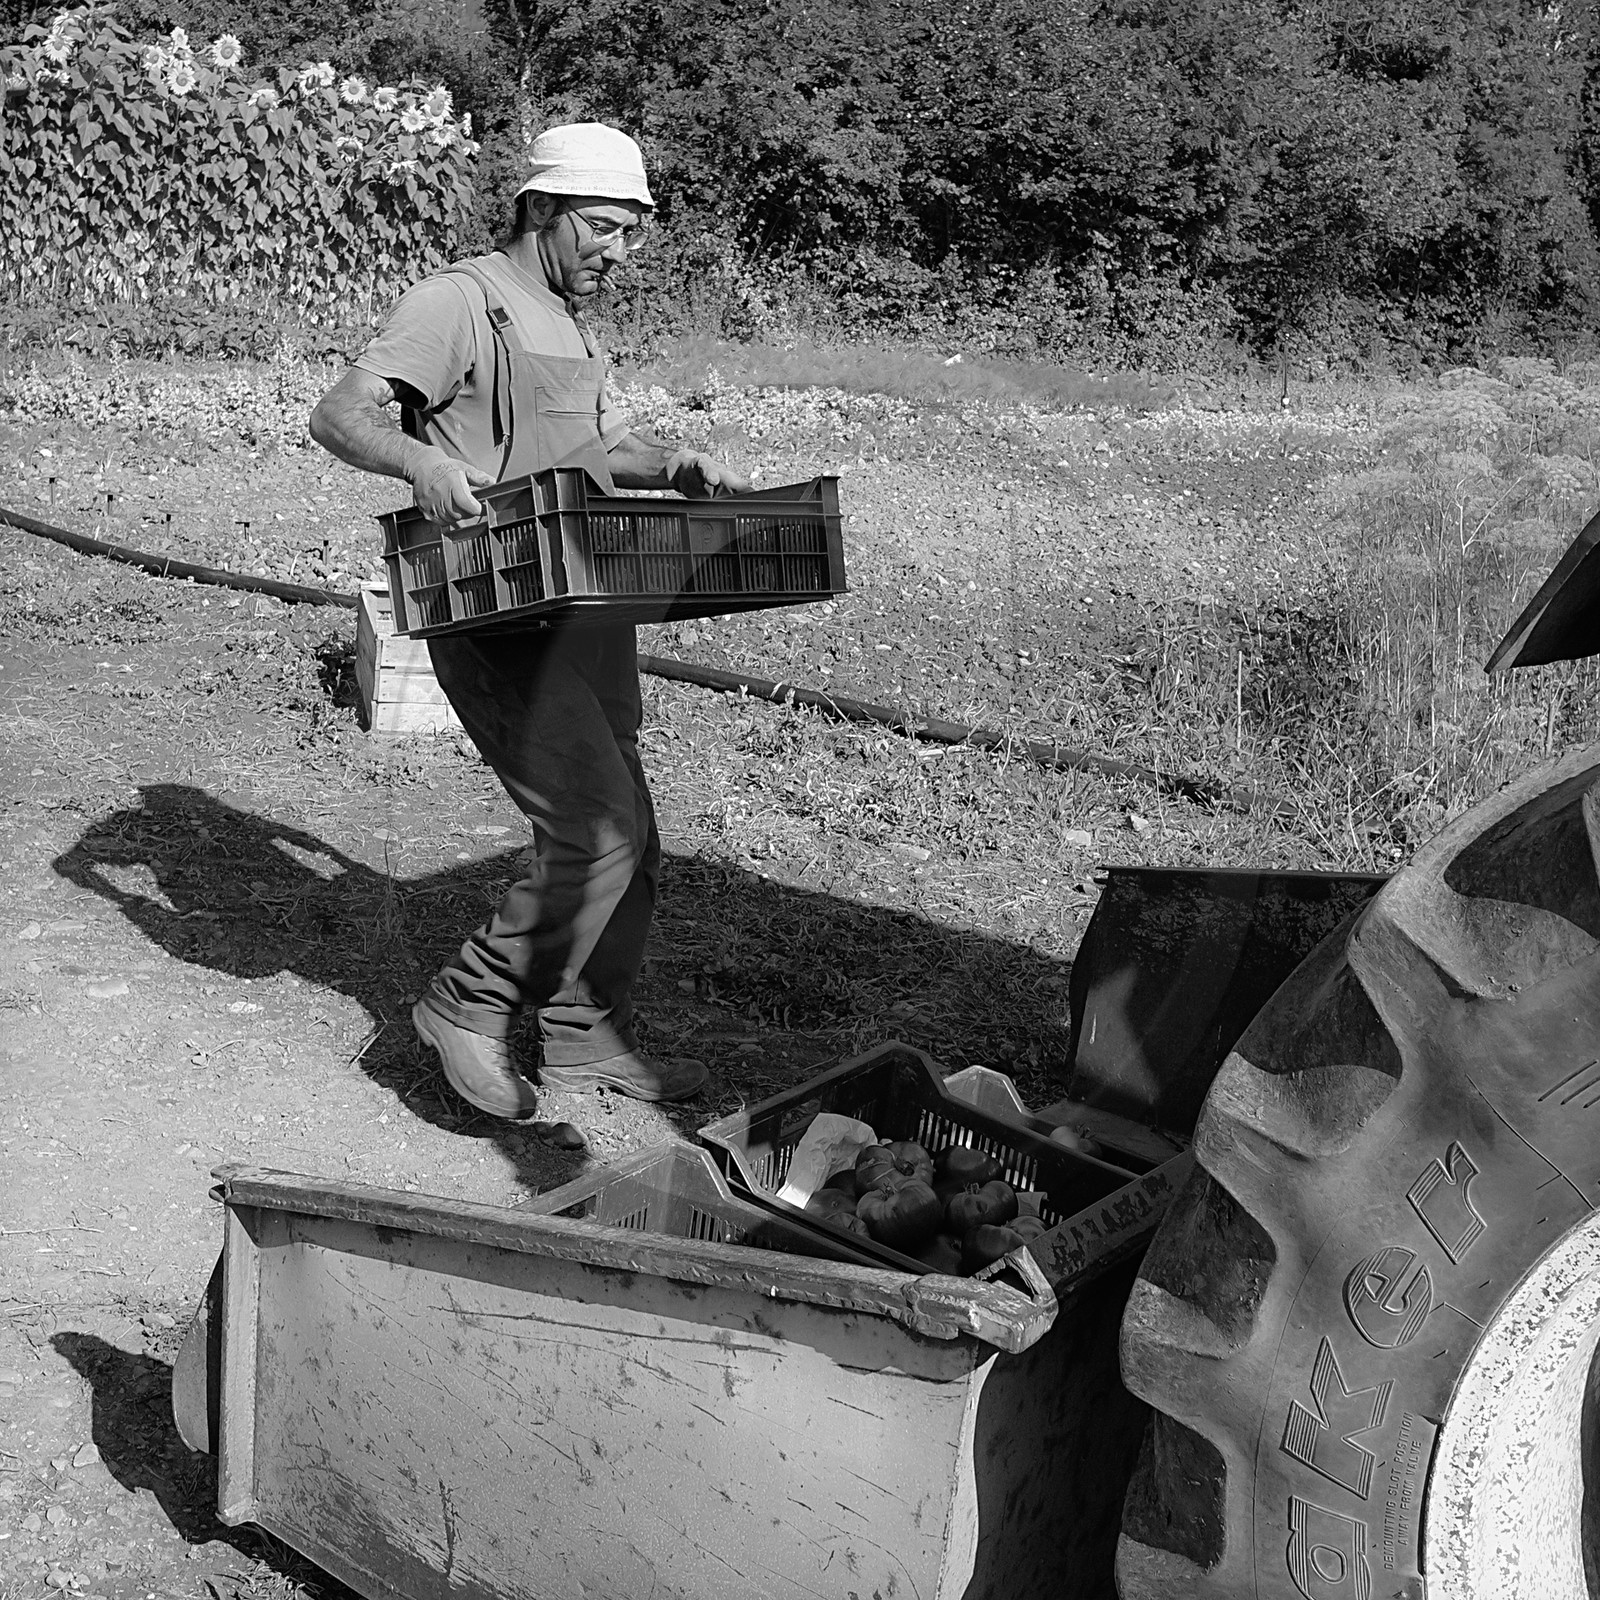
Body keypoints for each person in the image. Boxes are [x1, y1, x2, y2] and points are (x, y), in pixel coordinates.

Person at [308, 123, 748, 1118]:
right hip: (495, 605)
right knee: (593, 831)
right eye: (600, 226)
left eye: (630, 233)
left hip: (584, 604)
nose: (617, 252)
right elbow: (340, 412)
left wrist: (666, 464)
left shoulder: (569, 317)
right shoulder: (458, 303)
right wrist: (420, 461)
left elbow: (590, 451)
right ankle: (466, 1003)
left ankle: (584, 1040)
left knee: (634, 838)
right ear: (541, 208)